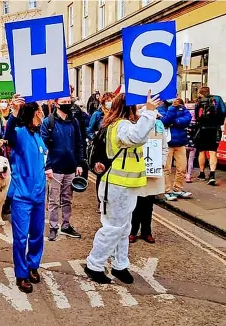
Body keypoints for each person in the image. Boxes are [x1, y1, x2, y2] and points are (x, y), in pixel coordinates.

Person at [84, 91, 160, 285]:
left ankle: (120, 265)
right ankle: (94, 265)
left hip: (125, 186)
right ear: (129, 108)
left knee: (123, 228)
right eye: (136, 106)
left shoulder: (121, 123)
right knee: (113, 228)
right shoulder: (121, 126)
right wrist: (149, 113)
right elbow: (137, 137)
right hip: (116, 186)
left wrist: (147, 110)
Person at [4, 95, 46, 293]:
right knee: (21, 238)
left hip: (38, 195)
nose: (43, 112)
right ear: (34, 113)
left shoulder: (38, 134)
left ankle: (32, 265)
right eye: (40, 110)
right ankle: (21, 275)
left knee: (37, 234)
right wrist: (14, 111)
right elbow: (8, 134)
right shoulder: (20, 133)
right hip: (22, 196)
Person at [41, 97, 83, 241]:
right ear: (56, 103)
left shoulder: (74, 122)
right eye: (64, 102)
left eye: (68, 101)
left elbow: (79, 143)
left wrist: (79, 163)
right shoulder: (48, 122)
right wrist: (48, 166)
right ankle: (53, 227)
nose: (67, 104)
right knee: (53, 201)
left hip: (70, 168)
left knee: (67, 199)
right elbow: (44, 147)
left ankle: (66, 225)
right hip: (55, 169)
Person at [130, 110, 168, 244]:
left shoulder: (159, 126)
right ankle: (132, 231)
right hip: (138, 171)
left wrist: (161, 163)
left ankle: (147, 232)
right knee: (136, 203)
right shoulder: (134, 126)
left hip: (152, 171)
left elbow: (164, 147)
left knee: (149, 204)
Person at [158, 98, 192, 201]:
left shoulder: (182, 108)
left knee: (182, 168)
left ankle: (178, 189)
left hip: (180, 142)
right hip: (167, 143)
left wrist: (175, 121)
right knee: (166, 168)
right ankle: (167, 190)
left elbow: (188, 118)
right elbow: (164, 121)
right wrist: (172, 108)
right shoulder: (161, 108)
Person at [87, 92, 115, 212]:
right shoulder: (97, 114)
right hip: (101, 150)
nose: (110, 102)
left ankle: (110, 200)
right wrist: (95, 136)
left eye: (112, 100)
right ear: (103, 102)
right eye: (108, 100)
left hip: (113, 151)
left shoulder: (117, 115)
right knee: (101, 175)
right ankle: (100, 201)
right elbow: (89, 130)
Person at [194, 87, 226, 186]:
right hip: (215, 129)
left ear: (200, 93)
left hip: (202, 129)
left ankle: (202, 173)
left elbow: (196, 116)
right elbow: (224, 111)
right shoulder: (218, 99)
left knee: (201, 151)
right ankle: (212, 175)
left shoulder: (198, 102)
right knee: (213, 152)